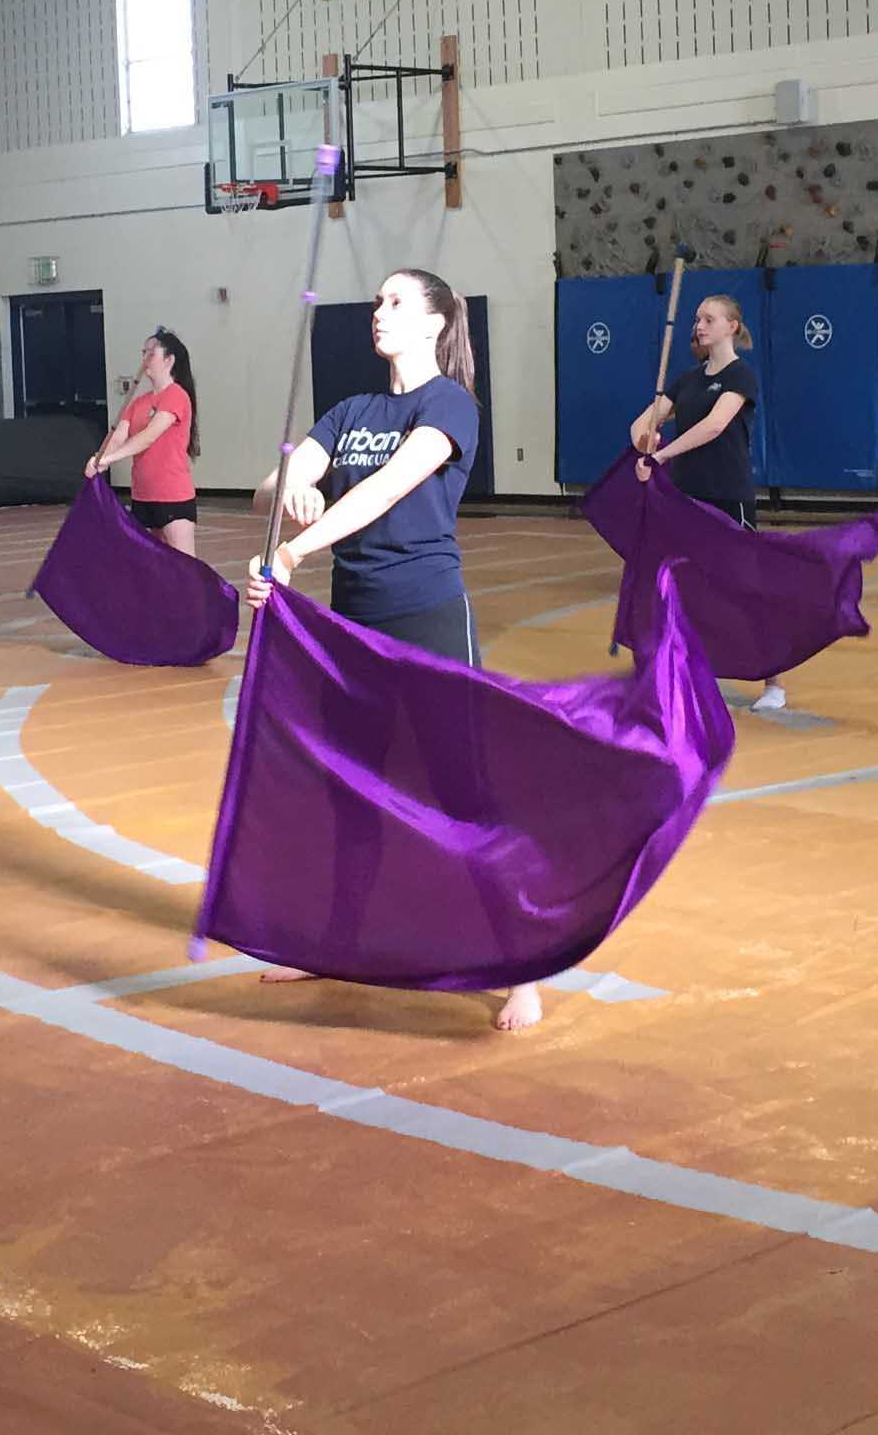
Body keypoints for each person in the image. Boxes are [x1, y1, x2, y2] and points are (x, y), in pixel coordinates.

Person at [243, 267, 543, 1031]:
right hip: (354, 628)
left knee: (460, 794)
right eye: (377, 300)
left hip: (427, 617)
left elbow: (386, 491)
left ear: (435, 323)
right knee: (351, 791)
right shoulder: (350, 411)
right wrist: (290, 493)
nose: (378, 312)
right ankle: (336, 941)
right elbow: (265, 487)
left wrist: (295, 552)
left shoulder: (450, 405)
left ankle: (524, 968)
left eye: (395, 301)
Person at [626, 293, 784, 711]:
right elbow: (641, 424)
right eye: (697, 319)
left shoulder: (740, 376)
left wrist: (661, 454)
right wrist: (646, 439)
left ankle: (774, 683)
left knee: (745, 588)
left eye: (709, 318)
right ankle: (684, 673)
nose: (700, 325)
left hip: (728, 495)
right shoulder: (686, 381)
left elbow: (715, 426)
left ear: (732, 326)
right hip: (686, 497)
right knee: (683, 588)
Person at [88, 329, 202, 558]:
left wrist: (110, 458)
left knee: (185, 568)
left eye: (151, 353)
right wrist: (99, 459)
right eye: (143, 353)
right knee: (148, 566)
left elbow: (149, 436)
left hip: (172, 496)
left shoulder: (176, 396)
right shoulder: (139, 402)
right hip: (142, 495)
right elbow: (119, 436)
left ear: (169, 360)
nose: (144, 359)